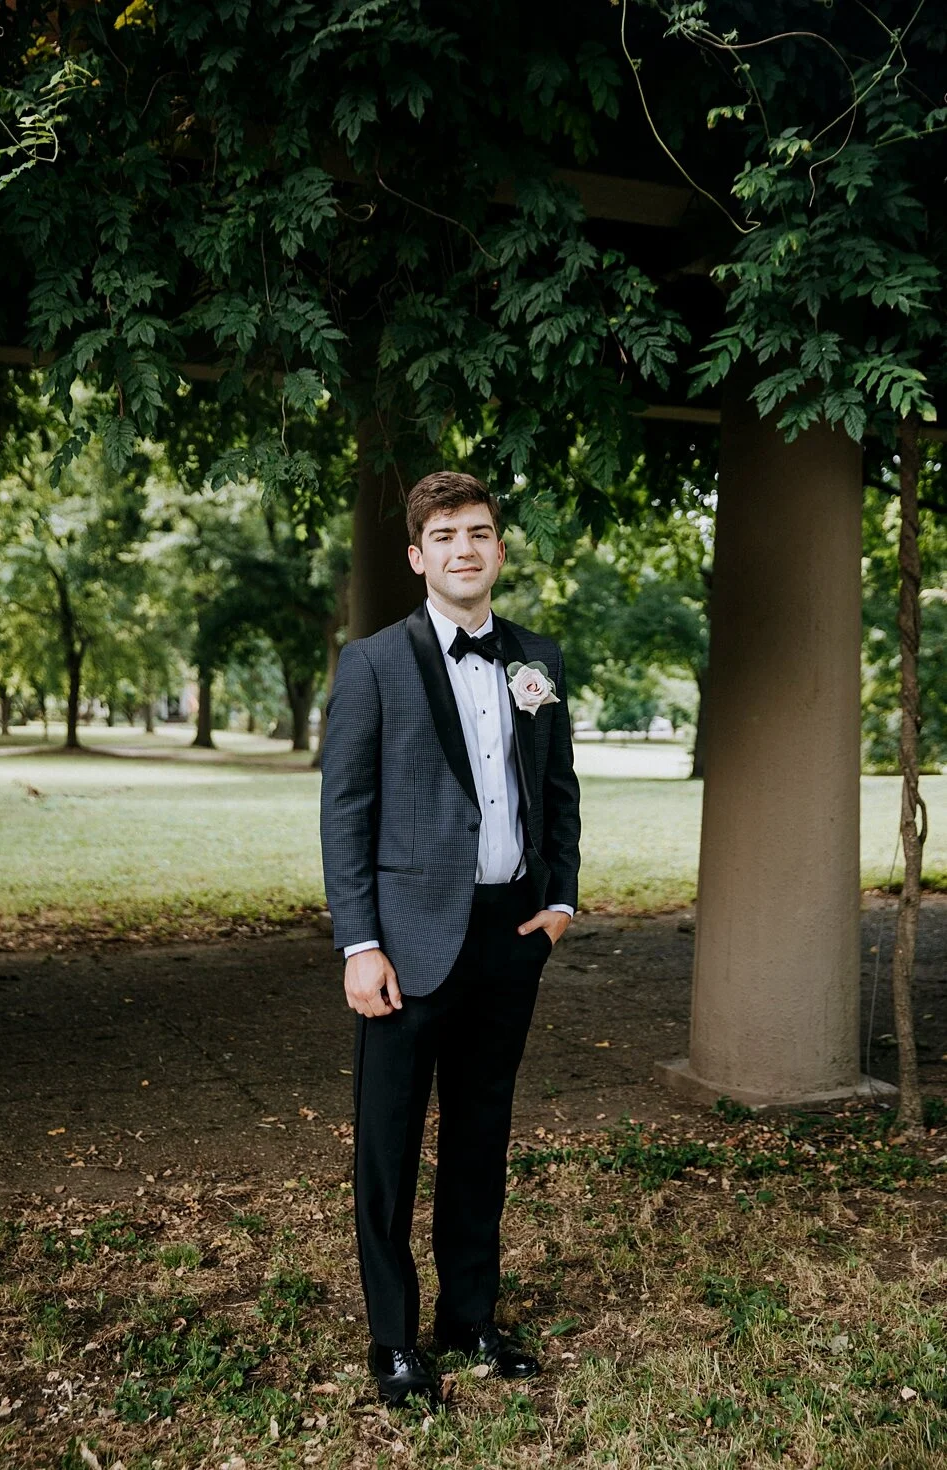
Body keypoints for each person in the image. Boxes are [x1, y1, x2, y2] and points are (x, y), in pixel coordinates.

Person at [320, 470, 581, 1408]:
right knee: (387, 1151)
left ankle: (469, 1317)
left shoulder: (538, 658)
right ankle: (394, 1341)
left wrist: (561, 907)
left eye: (479, 532)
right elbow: (345, 813)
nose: (464, 549)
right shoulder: (373, 664)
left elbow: (559, 792)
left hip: (510, 933)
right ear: (417, 556)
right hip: (405, 943)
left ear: (499, 549)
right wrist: (359, 944)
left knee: (482, 1136)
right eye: (444, 536)